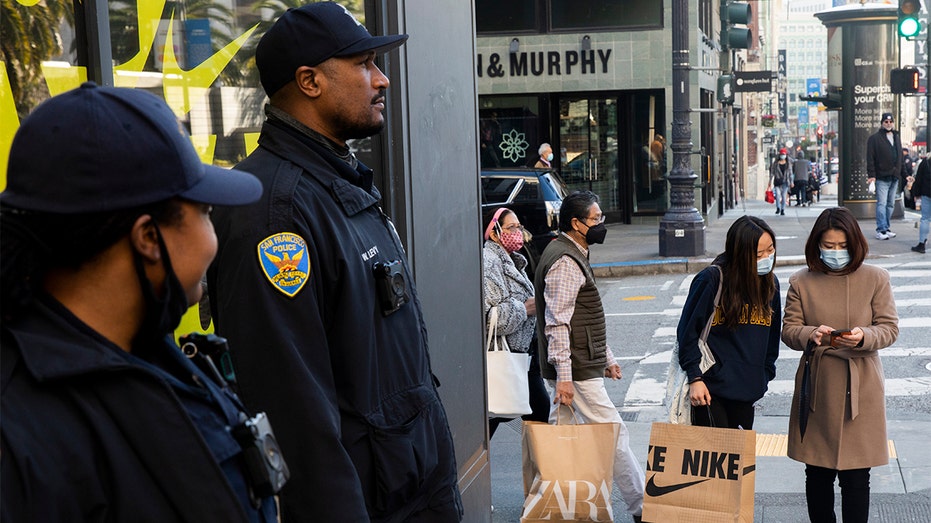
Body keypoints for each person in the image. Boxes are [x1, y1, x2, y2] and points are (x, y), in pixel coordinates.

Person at [205, 3, 462, 521]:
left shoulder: (336, 181)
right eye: (365, 63)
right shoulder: (275, 214)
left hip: (412, 493)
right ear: (310, 81)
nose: (383, 79)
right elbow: (294, 415)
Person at [1, 83, 279, 521]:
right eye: (205, 213)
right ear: (149, 238)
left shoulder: (145, 349)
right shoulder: (21, 437)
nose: (214, 239)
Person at [782, 207, 898, 523]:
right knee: (817, 474)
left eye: (841, 246)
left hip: (862, 385)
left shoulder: (875, 278)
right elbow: (789, 330)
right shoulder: (801, 281)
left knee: (857, 478)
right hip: (818, 384)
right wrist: (811, 333)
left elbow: (889, 328)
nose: (835, 252)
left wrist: (864, 336)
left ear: (855, 243)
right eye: (828, 246)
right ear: (817, 244)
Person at [534, 191, 645, 523]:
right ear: (576, 224)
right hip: (577, 370)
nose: (601, 224)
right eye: (596, 219)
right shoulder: (566, 261)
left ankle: (554, 505)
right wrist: (565, 377)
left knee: (561, 437)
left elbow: (585, 316)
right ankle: (642, 506)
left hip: (579, 364)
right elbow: (558, 323)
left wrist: (607, 356)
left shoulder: (572, 252)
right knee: (613, 433)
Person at [676, 216, 781, 429]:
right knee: (715, 460)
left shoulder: (770, 284)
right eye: (758, 254)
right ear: (740, 254)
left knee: (739, 461)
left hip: (747, 392)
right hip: (710, 392)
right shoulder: (712, 279)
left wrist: (764, 375)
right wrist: (695, 378)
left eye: (770, 250)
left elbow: (772, 338)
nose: (766, 258)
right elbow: (687, 332)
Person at [482, 207, 550, 437]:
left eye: (519, 226)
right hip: (507, 355)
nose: (518, 231)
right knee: (502, 412)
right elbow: (489, 317)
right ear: (494, 232)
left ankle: (539, 469)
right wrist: (525, 308)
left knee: (534, 409)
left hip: (522, 356)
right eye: (511, 227)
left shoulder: (512, 260)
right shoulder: (489, 263)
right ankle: (541, 468)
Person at [866, 112, 902, 240]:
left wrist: (901, 173)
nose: (888, 124)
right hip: (881, 176)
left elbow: (899, 156)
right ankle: (880, 229)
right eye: (886, 122)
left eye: (890, 121)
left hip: (894, 176)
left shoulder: (896, 137)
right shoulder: (874, 139)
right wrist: (872, 175)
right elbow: (870, 158)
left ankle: (886, 227)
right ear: (882, 123)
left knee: (890, 204)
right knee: (881, 203)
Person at [910, 155, 930, 253]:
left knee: (925, 219)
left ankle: (922, 243)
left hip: (927, 193)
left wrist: (916, 194)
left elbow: (919, 179)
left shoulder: (925, 162)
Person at [769, 148, 791, 215]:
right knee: (778, 195)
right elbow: (772, 173)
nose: (782, 156)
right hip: (777, 182)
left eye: (784, 154)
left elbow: (790, 173)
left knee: (784, 196)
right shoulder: (775, 164)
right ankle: (778, 208)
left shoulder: (788, 164)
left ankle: (782, 209)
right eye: (781, 154)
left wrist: (791, 182)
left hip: (785, 182)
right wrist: (769, 181)